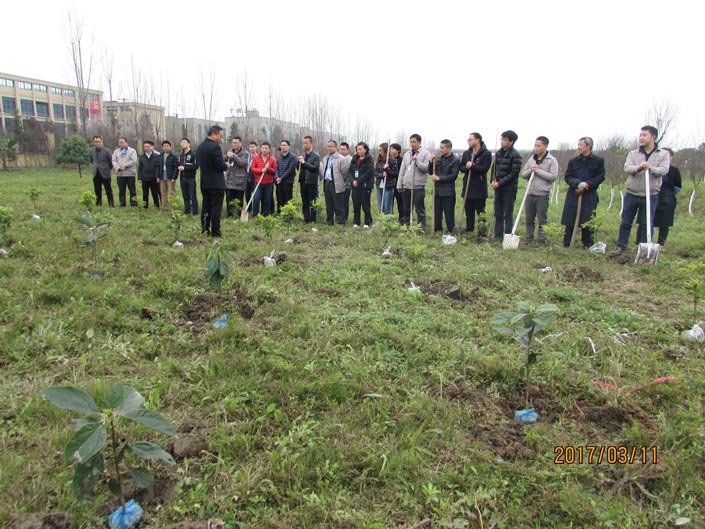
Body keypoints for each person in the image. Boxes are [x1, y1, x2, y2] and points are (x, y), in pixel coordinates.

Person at [610, 125, 670, 258]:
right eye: (640, 135)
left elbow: (664, 170)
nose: (641, 138)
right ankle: (621, 247)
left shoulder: (663, 154)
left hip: (650, 195)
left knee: (646, 224)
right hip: (632, 193)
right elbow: (627, 167)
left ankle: (643, 250)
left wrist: (651, 168)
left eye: (644, 135)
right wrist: (639, 168)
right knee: (626, 222)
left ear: (653, 137)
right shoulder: (633, 153)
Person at [560, 137, 605, 247]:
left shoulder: (598, 161)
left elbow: (600, 177)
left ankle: (587, 244)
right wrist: (577, 184)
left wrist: (587, 185)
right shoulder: (573, 161)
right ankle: (568, 243)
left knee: (587, 219)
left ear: (589, 146)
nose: (579, 147)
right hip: (574, 193)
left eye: (581, 145)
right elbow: (568, 176)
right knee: (570, 218)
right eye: (578, 145)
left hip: (589, 194)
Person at [520, 136, 559, 245]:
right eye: (535, 145)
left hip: (542, 194)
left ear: (545, 146)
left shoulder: (551, 161)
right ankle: (529, 240)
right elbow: (523, 174)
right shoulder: (532, 159)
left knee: (542, 220)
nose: (536, 148)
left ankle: (542, 241)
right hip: (529, 193)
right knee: (529, 219)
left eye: (539, 146)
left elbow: (553, 176)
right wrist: (530, 170)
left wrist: (538, 171)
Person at [196, 125, 228, 237]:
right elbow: (220, 165)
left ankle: (205, 229)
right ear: (213, 134)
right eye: (220, 136)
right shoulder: (215, 147)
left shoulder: (200, 147)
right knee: (216, 209)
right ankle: (216, 232)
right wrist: (226, 165)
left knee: (206, 206)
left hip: (205, 182)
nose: (221, 139)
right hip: (216, 184)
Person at [490, 130, 522, 240]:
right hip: (498, 188)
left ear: (511, 141)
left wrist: (500, 183)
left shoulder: (515, 155)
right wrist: (493, 180)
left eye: (505, 140)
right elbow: (493, 168)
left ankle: (508, 236)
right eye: (501, 139)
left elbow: (514, 174)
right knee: (498, 213)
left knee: (507, 214)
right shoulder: (498, 153)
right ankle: (497, 236)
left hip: (509, 189)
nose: (502, 142)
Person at [396, 134, 432, 229]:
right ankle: (407, 226)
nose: (412, 144)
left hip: (418, 186)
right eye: (410, 142)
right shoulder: (407, 154)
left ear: (419, 142)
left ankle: (421, 227)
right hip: (406, 186)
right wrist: (399, 183)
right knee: (406, 209)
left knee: (419, 208)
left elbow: (427, 168)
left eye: (414, 142)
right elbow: (402, 170)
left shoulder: (425, 154)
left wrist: (417, 162)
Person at [458, 132, 491, 234]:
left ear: (477, 140)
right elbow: (462, 168)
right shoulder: (466, 153)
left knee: (480, 212)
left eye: (470, 139)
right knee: (469, 211)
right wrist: (467, 167)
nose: (468, 141)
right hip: (468, 186)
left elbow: (484, 169)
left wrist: (473, 166)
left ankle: (482, 231)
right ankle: (469, 229)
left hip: (479, 187)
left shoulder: (486, 153)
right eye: (468, 140)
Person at [652, 148, 681, 245]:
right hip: (653, 195)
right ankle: (645, 241)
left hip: (668, 199)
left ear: (671, 157)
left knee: (664, 223)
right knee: (648, 220)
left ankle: (661, 243)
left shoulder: (674, 170)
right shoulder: (652, 168)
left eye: (668, 155)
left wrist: (669, 195)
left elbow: (678, 187)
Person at [430, 139, 460, 233]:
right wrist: (431, 161)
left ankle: (451, 230)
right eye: (440, 147)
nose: (441, 149)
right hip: (437, 190)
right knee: (437, 212)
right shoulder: (438, 159)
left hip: (448, 191)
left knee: (449, 212)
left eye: (443, 148)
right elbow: (431, 171)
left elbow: (453, 176)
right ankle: (437, 229)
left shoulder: (455, 160)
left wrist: (439, 178)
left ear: (449, 148)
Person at [320, 139, 347, 225]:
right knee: (329, 204)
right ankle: (329, 221)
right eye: (328, 146)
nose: (329, 148)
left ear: (335, 147)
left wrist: (340, 181)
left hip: (336, 183)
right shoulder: (325, 158)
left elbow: (345, 173)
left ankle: (341, 221)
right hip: (327, 183)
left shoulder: (341, 159)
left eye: (331, 146)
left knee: (338, 204)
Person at [350, 142, 375, 228]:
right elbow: (350, 171)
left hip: (365, 185)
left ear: (365, 149)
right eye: (358, 149)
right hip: (355, 186)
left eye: (361, 149)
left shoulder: (369, 159)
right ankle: (356, 222)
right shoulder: (354, 158)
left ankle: (367, 222)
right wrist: (353, 180)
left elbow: (369, 172)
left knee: (365, 205)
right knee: (356, 204)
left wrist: (359, 181)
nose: (359, 151)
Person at [250, 142, 277, 218]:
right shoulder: (256, 158)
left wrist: (268, 169)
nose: (264, 150)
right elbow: (252, 168)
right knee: (256, 199)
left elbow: (275, 172)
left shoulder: (272, 159)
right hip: (258, 182)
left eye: (266, 148)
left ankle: (265, 215)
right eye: (263, 148)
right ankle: (255, 215)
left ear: (269, 149)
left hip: (269, 183)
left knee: (267, 200)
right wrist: (261, 170)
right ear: (261, 149)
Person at [297, 136, 321, 223]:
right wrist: (298, 162)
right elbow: (299, 169)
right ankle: (305, 218)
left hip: (312, 182)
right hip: (303, 182)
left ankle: (313, 219)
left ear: (311, 143)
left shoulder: (316, 156)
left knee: (312, 202)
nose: (305, 144)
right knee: (304, 201)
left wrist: (304, 163)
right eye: (304, 143)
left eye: (306, 143)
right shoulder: (303, 155)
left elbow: (315, 168)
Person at [225, 136, 248, 217]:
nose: (234, 145)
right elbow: (224, 160)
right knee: (229, 199)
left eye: (236, 143)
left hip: (240, 181)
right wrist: (227, 156)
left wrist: (234, 156)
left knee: (239, 200)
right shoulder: (230, 151)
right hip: (230, 180)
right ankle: (229, 214)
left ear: (240, 143)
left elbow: (241, 163)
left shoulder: (245, 153)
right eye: (233, 143)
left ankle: (239, 215)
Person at [112, 136, 138, 207]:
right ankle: (122, 203)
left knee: (132, 190)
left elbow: (133, 160)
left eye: (122, 142)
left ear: (126, 142)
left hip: (130, 174)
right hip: (120, 174)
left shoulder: (132, 151)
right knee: (121, 190)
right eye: (120, 142)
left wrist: (124, 165)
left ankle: (134, 203)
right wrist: (117, 167)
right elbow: (113, 160)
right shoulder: (116, 151)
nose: (121, 144)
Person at [89, 135, 114, 207]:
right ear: (93, 142)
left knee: (108, 189)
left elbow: (110, 162)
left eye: (99, 141)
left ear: (101, 142)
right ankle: (98, 203)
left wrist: (107, 169)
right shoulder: (91, 150)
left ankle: (111, 204)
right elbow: (91, 160)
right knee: (97, 189)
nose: (97, 143)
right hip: (96, 173)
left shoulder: (107, 151)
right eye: (96, 142)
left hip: (105, 173)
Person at [275, 139, 297, 213]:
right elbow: (277, 168)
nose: (283, 147)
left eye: (285, 145)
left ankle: (288, 214)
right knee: (279, 199)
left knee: (287, 199)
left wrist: (281, 178)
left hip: (287, 182)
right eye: (282, 145)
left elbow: (290, 170)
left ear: (288, 147)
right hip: (279, 182)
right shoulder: (280, 157)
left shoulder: (293, 157)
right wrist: (277, 177)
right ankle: (280, 213)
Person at [178, 138, 199, 215]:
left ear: (188, 144)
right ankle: (187, 210)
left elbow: (196, 166)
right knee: (185, 195)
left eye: (184, 142)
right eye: (181, 142)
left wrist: (185, 168)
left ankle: (195, 212)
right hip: (182, 178)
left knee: (192, 195)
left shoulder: (193, 154)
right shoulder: (181, 155)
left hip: (190, 178)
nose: (182, 144)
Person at [138, 140, 161, 209]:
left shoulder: (157, 156)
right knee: (145, 193)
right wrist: (139, 177)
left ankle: (157, 205)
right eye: (145, 147)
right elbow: (140, 167)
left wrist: (158, 176)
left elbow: (158, 167)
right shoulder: (142, 156)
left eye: (148, 146)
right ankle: (145, 206)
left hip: (153, 177)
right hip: (145, 177)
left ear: (152, 147)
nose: (146, 148)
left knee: (155, 192)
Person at [159, 140, 179, 210]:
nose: (166, 147)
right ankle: (165, 206)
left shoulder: (173, 156)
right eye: (164, 146)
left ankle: (173, 206)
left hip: (170, 177)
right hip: (162, 177)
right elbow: (158, 167)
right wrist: (158, 176)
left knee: (171, 192)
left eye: (167, 146)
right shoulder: (160, 156)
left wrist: (174, 177)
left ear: (170, 147)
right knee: (163, 192)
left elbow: (176, 168)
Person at [375, 143, 394, 215]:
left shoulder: (392, 161)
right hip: (379, 186)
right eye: (379, 150)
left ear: (386, 151)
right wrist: (381, 175)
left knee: (387, 208)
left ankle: (388, 223)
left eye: (381, 150)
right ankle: (381, 222)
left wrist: (387, 169)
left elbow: (395, 174)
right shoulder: (379, 161)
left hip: (388, 187)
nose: (380, 152)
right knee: (381, 207)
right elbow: (375, 172)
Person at [387, 143, 403, 222]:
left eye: (393, 149)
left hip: (399, 184)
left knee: (401, 203)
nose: (391, 150)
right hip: (390, 184)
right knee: (390, 203)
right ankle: (390, 219)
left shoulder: (401, 160)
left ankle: (402, 220)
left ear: (398, 150)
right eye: (390, 149)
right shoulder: (388, 160)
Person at [339, 142, 353, 221]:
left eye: (343, 149)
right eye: (340, 149)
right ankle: (339, 216)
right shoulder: (337, 158)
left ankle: (345, 217)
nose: (341, 151)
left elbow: (349, 172)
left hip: (346, 184)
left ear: (347, 150)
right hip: (337, 184)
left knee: (345, 201)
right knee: (338, 202)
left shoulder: (350, 160)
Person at [245, 142, 258, 211]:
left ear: (256, 147)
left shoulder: (258, 157)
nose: (252, 148)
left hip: (254, 177)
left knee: (255, 195)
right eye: (250, 147)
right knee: (247, 195)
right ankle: (249, 209)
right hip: (247, 178)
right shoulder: (247, 156)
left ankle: (255, 209)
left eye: (253, 147)